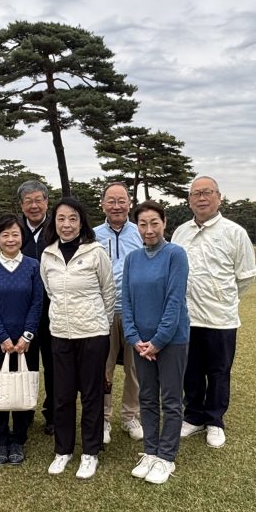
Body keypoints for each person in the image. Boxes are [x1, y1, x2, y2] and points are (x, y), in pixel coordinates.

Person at [171, 176, 256, 449]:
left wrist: (224, 299)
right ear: (189, 200)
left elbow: (246, 277)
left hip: (220, 318)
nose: (201, 198)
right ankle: (194, 416)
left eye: (207, 192)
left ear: (219, 197)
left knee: (218, 371)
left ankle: (215, 420)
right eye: (196, 194)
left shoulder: (234, 232)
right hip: (187, 317)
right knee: (191, 371)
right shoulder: (180, 232)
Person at [39, 197, 115, 479]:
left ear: (82, 222)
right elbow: (50, 292)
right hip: (60, 334)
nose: (67, 224)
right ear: (54, 222)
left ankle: (90, 452)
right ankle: (63, 450)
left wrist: (101, 324)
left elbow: (108, 292)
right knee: (62, 395)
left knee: (92, 395)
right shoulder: (48, 255)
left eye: (73, 218)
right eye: (61, 218)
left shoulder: (95, 252)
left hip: (93, 334)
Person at [121, 201, 190, 485]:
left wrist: (159, 340)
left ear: (164, 223)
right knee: (147, 398)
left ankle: (166, 457)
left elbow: (174, 301)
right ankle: (150, 451)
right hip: (141, 344)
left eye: (154, 223)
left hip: (171, 340)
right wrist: (134, 338)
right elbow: (126, 301)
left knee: (171, 400)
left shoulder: (175, 254)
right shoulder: (132, 259)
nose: (149, 230)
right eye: (142, 224)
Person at [0, 215, 44, 466]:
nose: (10, 239)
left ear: (22, 237)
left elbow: (37, 302)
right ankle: (1, 439)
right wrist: (3, 337)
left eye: (15, 234)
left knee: (22, 384)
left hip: (27, 340)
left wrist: (26, 335)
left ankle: (18, 438)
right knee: (2, 385)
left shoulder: (32, 265)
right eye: (5, 235)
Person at [93, 181, 143, 445]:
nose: (116, 206)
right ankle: (103, 417)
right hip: (103, 312)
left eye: (121, 200)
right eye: (111, 201)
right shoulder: (92, 235)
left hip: (136, 311)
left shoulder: (141, 232)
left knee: (135, 369)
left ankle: (131, 416)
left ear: (129, 203)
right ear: (102, 204)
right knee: (104, 367)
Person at [17, 179, 56, 436]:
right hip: (23, 309)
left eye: (38, 200)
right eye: (28, 201)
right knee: (27, 363)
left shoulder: (57, 227)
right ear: (21, 205)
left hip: (53, 307)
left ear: (46, 202)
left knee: (54, 365)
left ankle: (52, 413)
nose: (34, 206)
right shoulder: (15, 229)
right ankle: (25, 411)